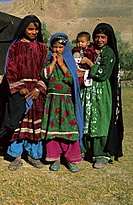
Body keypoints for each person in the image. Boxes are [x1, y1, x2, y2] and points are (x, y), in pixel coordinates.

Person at [3, 15, 47, 171]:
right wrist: (20, 87)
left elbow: (47, 71)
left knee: (35, 125)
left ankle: (34, 156)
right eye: (30, 29)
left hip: (36, 94)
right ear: (23, 29)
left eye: (36, 29)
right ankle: (16, 157)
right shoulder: (15, 47)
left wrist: (38, 89)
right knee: (19, 123)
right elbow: (10, 69)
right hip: (20, 92)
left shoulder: (43, 48)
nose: (34, 32)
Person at [80, 23, 124, 169]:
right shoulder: (89, 49)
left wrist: (89, 63)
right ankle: (86, 150)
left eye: (103, 37)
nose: (99, 40)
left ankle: (101, 154)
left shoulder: (109, 53)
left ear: (108, 38)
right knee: (87, 119)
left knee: (100, 121)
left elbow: (102, 74)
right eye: (97, 37)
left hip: (101, 91)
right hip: (87, 92)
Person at [41, 33, 84, 172]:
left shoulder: (70, 62)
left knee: (69, 129)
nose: (57, 50)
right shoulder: (48, 61)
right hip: (52, 101)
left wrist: (61, 64)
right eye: (55, 47)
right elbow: (45, 75)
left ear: (65, 48)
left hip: (66, 102)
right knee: (53, 131)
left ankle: (71, 160)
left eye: (60, 47)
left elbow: (72, 79)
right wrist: (53, 63)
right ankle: (55, 159)